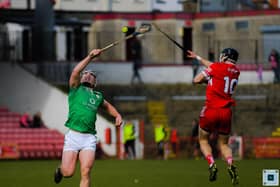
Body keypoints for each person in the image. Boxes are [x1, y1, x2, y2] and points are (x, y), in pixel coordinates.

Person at [54, 49, 123, 187]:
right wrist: (90, 57)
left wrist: (117, 115)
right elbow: (75, 72)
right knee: (68, 172)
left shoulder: (98, 96)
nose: (87, 75)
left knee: (85, 172)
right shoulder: (75, 89)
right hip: (73, 136)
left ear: (95, 82)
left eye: (91, 75)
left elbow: (108, 106)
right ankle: (61, 170)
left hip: (89, 138)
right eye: (85, 73)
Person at [187, 48, 240, 185]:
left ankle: (212, 164)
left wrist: (206, 80)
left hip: (211, 110)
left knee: (203, 140)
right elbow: (215, 68)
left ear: (224, 57)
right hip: (226, 112)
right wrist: (197, 57)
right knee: (223, 144)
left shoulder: (216, 67)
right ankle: (230, 163)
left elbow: (196, 79)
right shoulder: (236, 71)